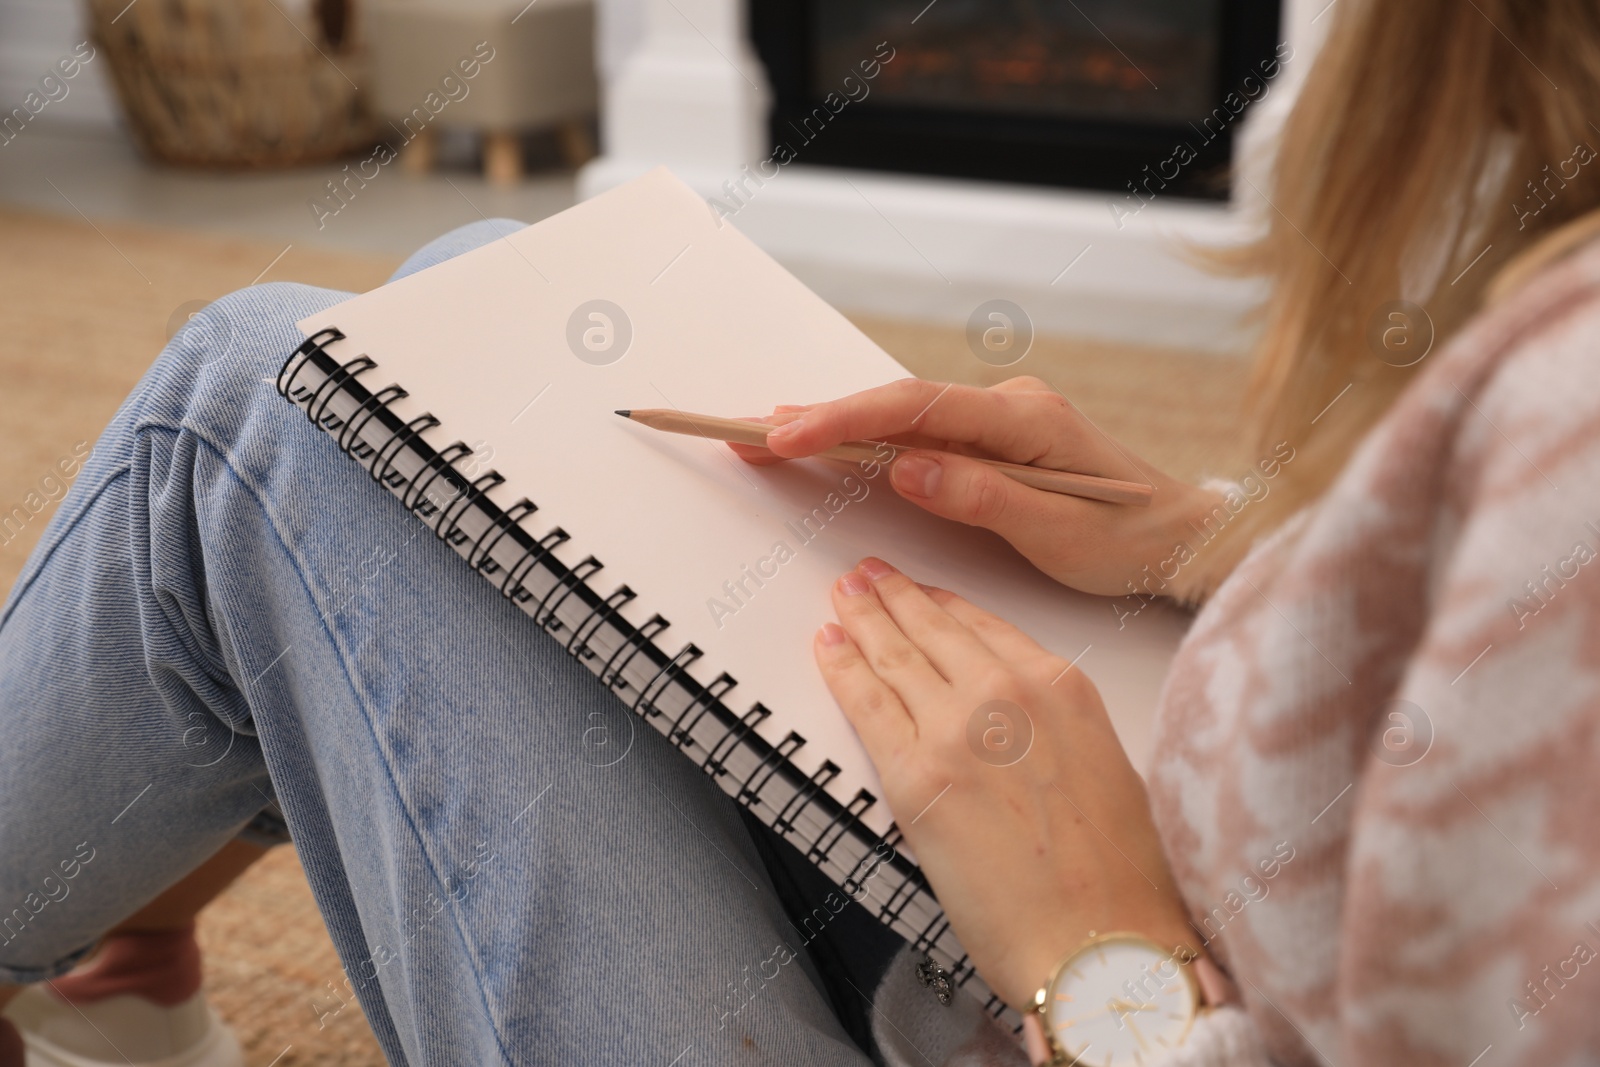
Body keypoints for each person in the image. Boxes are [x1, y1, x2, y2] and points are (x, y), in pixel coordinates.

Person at [4, 0, 1600, 1064]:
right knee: (487, 309)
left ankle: (100, 933)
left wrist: (1105, 964)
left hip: (1071, 980)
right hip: (1006, 947)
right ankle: (115, 948)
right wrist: (1217, 546)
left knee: (270, 395)